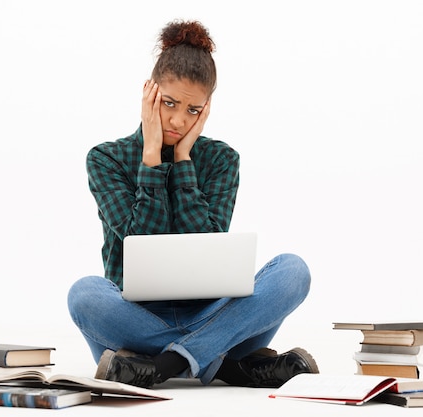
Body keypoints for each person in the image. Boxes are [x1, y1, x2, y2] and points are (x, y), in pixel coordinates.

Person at [67, 19, 318, 389]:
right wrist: (151, 157)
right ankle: (226, 366)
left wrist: (184, 161)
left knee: (293, 271)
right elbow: (139, 238)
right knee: (84, 294)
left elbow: (208, 243)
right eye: (169, 103)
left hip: (215, 312)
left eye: (192, 111)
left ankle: (164, 365)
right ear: (149, 93)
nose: (177, 119)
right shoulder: (108, 159)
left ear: (206, 109)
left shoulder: (220, 160)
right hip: (134, 319)